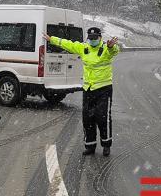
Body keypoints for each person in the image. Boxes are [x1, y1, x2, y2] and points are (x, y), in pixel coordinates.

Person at [43, 27, 119, 156]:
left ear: (100, 38)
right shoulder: (84, 48)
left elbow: (114, 51)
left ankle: (106, 145)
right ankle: (90, 146)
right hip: (88, 89)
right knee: (88, 118)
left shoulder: (106, 48)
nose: (92, 40)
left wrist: (111, 47)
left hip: (103, 89)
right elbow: (68, 44)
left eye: (95, 38)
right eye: (90, 38)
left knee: (102, 118)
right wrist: (52, 39)